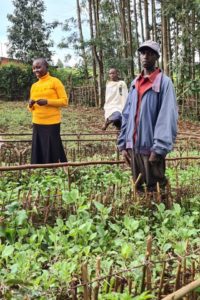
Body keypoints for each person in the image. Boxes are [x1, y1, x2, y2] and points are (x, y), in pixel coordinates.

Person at [117, 40, 178, 191]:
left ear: (156, 57)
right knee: (138, 187)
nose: (145, 56)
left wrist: (159, 149)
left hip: (151, 148)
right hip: (133, 148)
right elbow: (126, 115)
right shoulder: (134, 83)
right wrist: (123, 143)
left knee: (156, 189)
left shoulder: (164, 83)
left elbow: (167, 117)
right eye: (143, 53)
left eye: (150, 53)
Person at [28, 58, 68, 164]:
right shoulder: (34, 86)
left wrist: (47, 102)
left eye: (39, 67)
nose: (36, 70)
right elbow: (30, 109)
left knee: (52, 148)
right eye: (34, 68)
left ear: (46, 67)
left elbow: (64, 101)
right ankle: (39, 169)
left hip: (52, 122)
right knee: (39, 146)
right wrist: (30, 104)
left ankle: (53, 169)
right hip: (37, 121)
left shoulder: (55, 82)